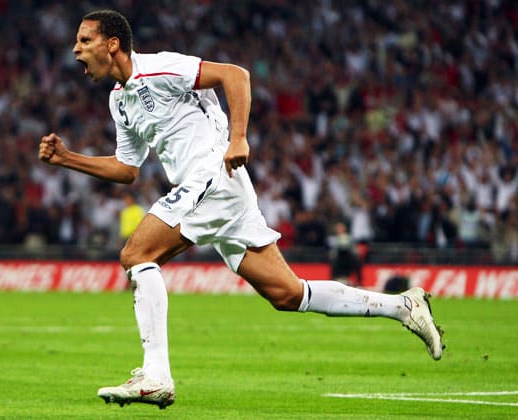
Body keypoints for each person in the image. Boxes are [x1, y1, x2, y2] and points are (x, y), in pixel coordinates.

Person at [38, 10, 444, 410]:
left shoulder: (160, 68)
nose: (76, 49)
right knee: (287, 293)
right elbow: (127, 169)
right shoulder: (119, 101)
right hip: (217, 189)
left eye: (85, 40)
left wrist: (238, 139)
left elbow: (235, 75)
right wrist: (68, 159)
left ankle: (156, 375)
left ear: (112, 45)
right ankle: (402, 306)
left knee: (136, 254)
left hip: (213, 175)